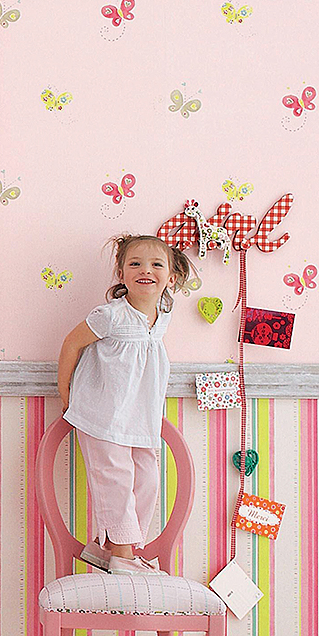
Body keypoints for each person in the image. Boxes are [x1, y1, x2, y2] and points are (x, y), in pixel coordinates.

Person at [57, 234, 192, 573]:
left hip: (140, 418)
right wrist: (66, 395)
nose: (145, 270)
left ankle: (115, 548)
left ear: (171, 277)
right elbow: (71, 345)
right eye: (135, 264)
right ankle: (122, 557)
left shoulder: (162, 318)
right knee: (115, 479)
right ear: (121, 273)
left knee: (147, 478)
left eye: (156, 264)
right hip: (102, 413)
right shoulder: (111, 315)